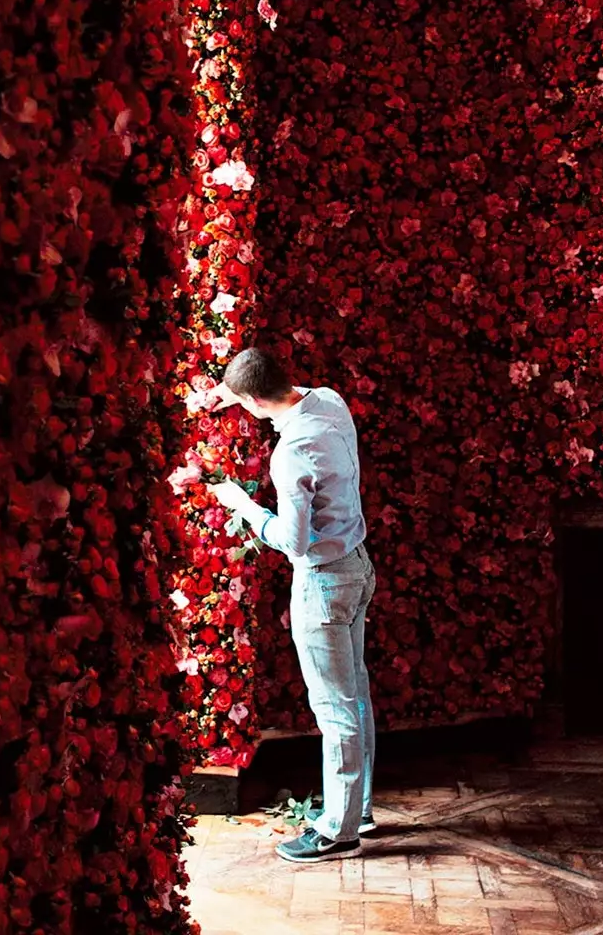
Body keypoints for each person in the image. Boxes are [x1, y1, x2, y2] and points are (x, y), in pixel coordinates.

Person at [204, 346, 377, 864]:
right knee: (356, 696)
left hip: (323, 583)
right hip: (358, 567)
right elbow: (263, 389)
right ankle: (357, 810)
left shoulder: (291, 453)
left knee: (335, 709)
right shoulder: (329, 400)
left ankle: (337, 832)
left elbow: (294, 541)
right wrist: (225, 391)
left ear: (253, 401)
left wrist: (244, 508)